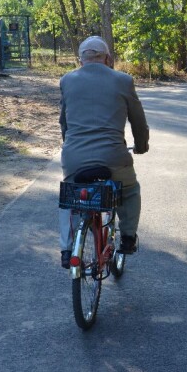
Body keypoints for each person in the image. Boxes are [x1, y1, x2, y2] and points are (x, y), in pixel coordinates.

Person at [58, 36, 149, 269]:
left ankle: (67, 250)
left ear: (81, 60)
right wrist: (141, 146)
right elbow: (138, 121)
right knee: (129, 191)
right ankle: (128, 237)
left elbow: (64, 122)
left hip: (74, 158)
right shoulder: (123, 80)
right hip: (114, 159)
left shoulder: (67, 80)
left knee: (70, 198)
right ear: (108, 58)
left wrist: (70, 148)